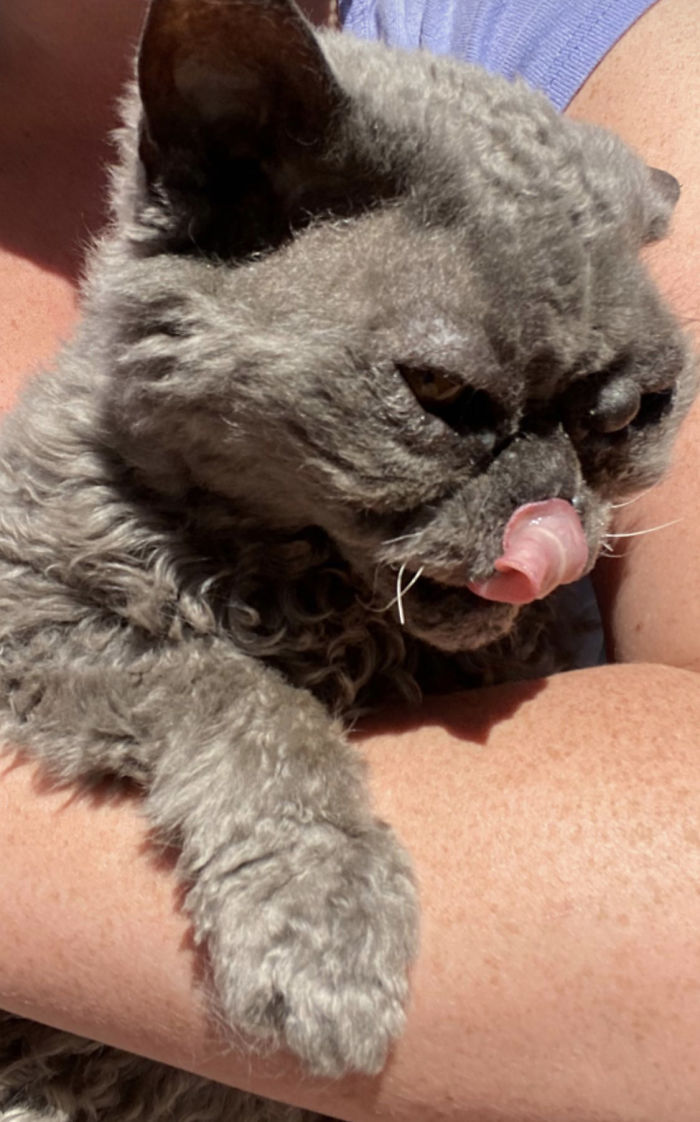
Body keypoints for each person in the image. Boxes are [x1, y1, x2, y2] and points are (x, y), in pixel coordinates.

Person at [1, 1, 699, 1119]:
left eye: (622, 416)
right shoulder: (261, 178)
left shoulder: (554, 34)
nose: (548, 521)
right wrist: (237, 742)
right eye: (446, 401)